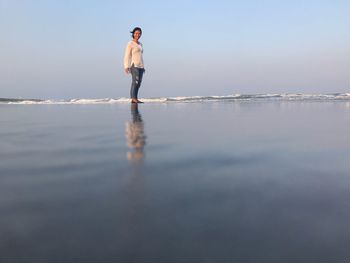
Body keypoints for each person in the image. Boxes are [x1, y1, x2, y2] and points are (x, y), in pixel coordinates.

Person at [124, 27, 145, 104]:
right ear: (133, 34)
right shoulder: (130, 43)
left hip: (141, 66)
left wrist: (143, 66)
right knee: (135, 82)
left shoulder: (140, 44)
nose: (138, 35)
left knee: (139, 83)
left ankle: (136, 98)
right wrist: (126, 66)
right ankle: (133, 98)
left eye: (139, 33)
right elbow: (127, 55)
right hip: (134, 65)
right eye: (136, 33)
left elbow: (140, 56)